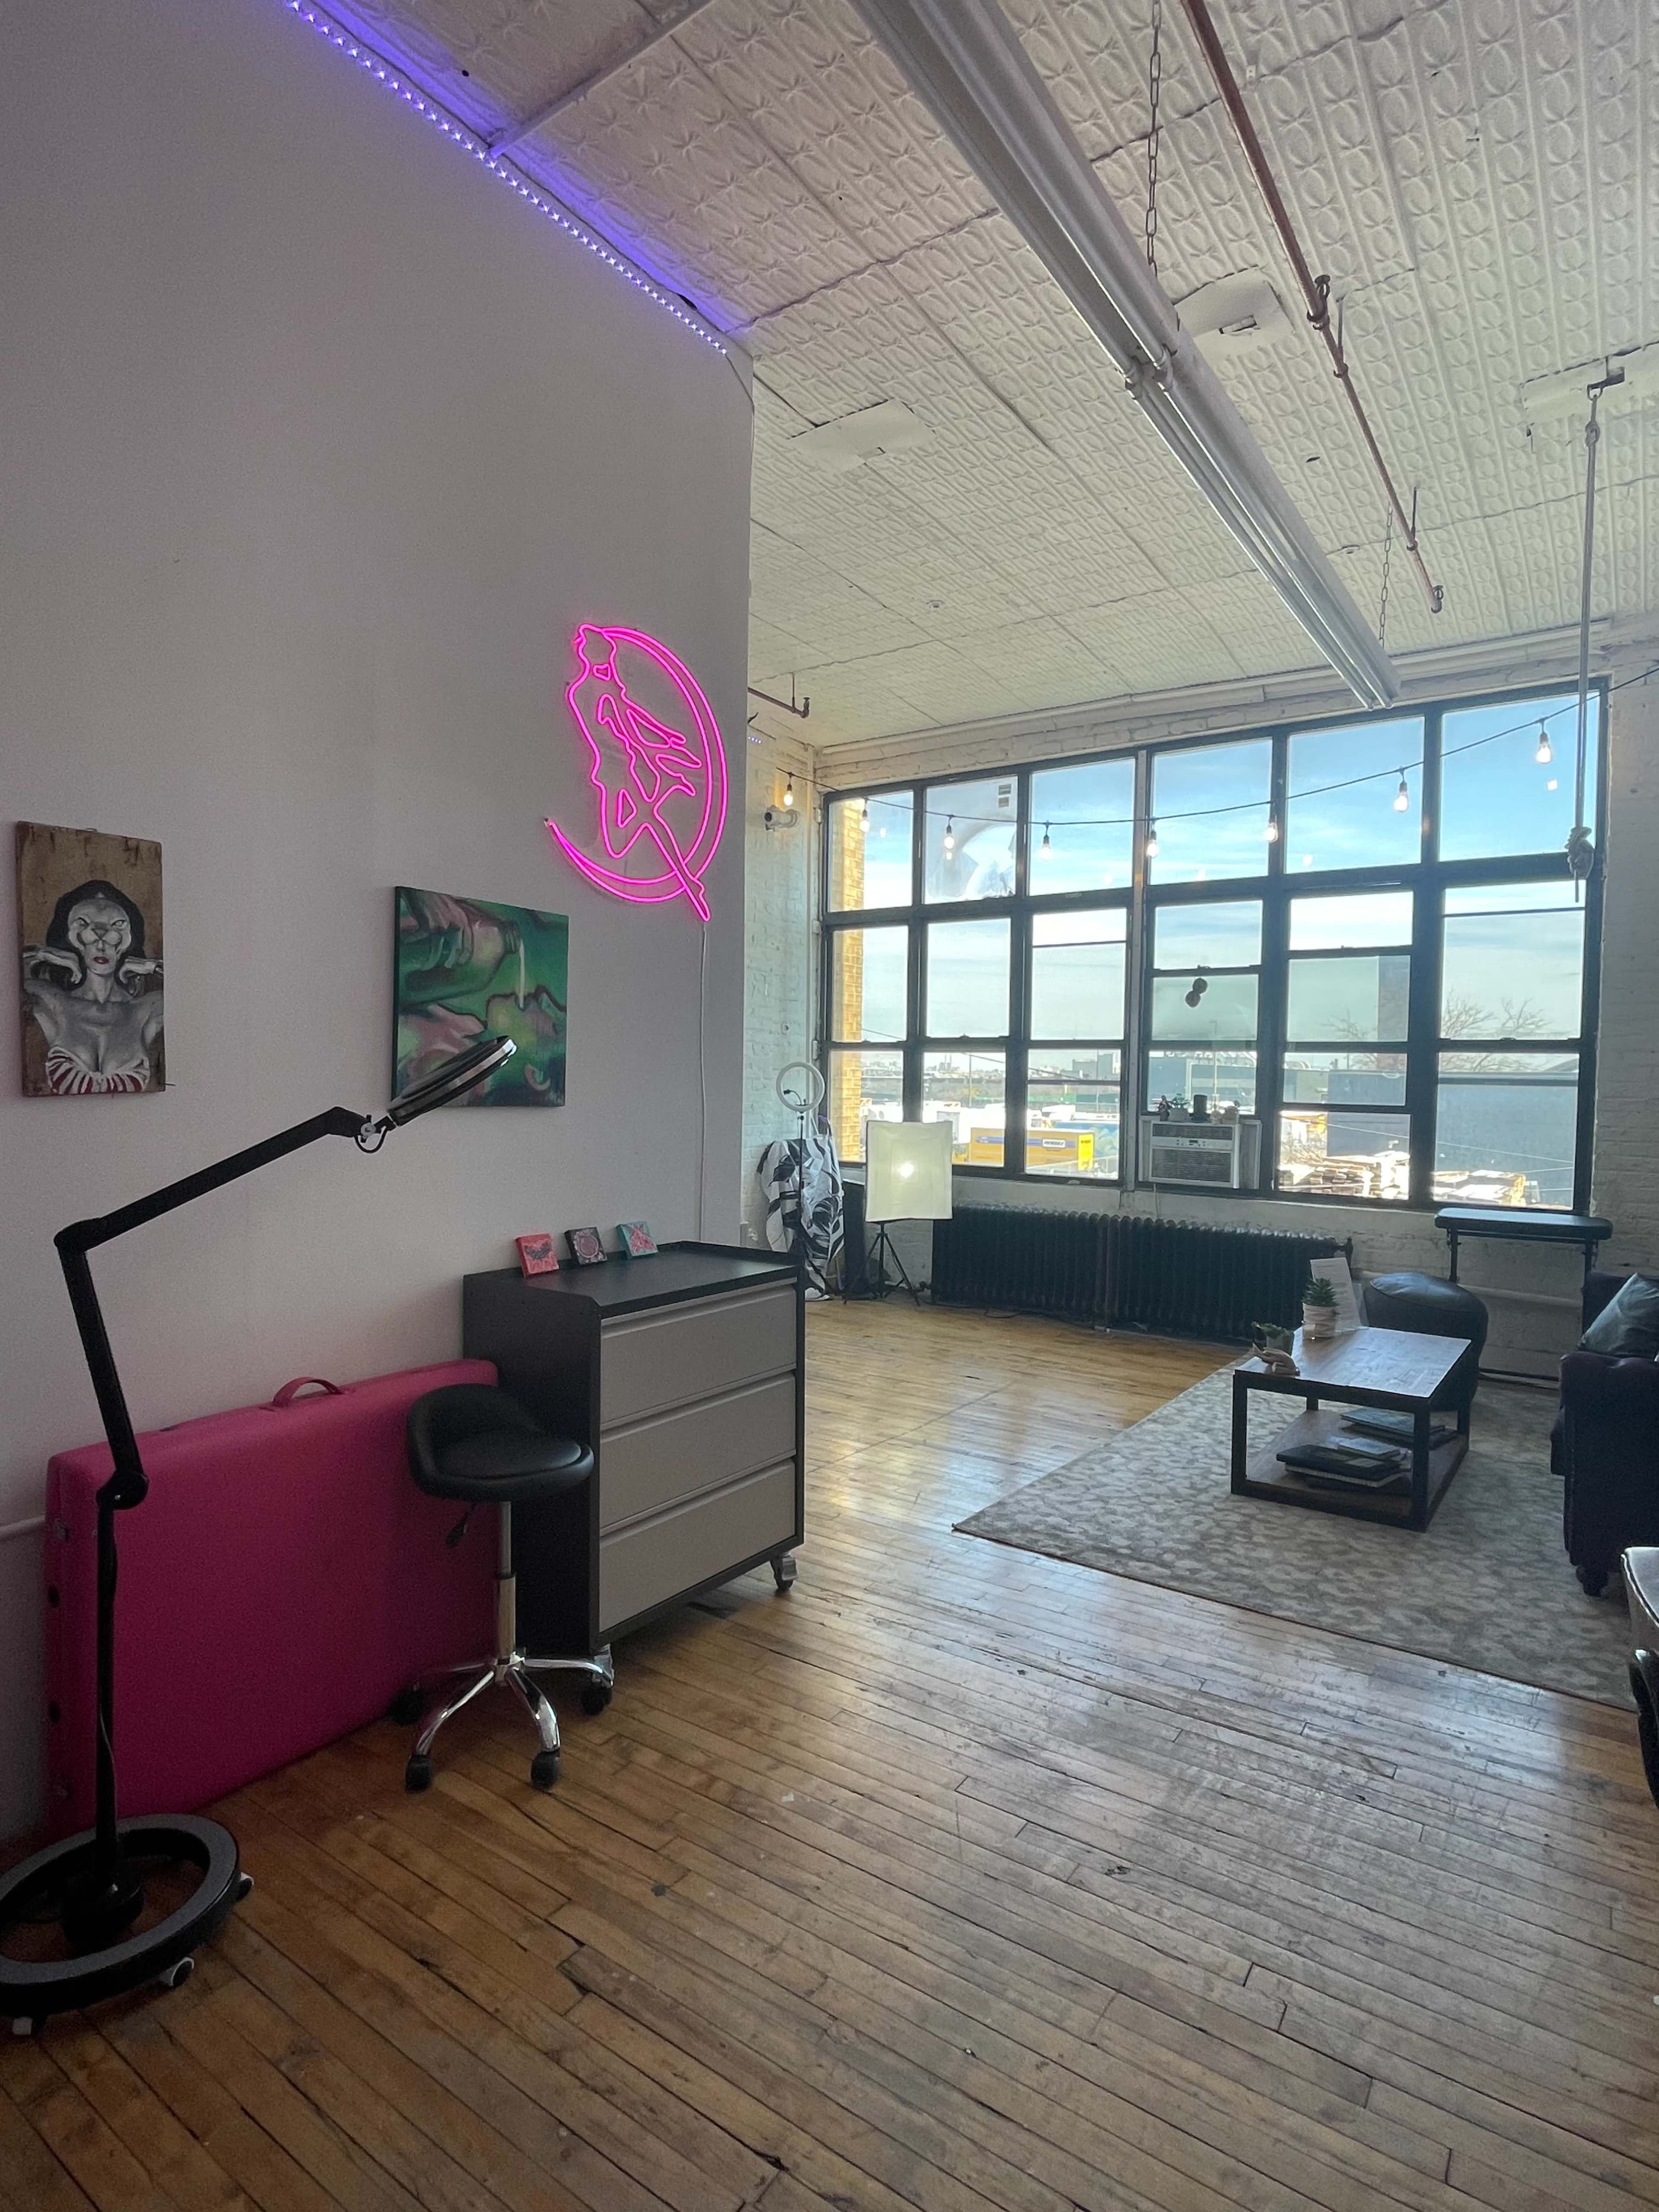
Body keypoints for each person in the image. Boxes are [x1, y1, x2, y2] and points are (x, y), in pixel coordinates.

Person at [22, 879, 163, 1094]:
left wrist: (151, 966)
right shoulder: (54, 1002)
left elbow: (193, 991)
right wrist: (45, 954)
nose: (101, 941)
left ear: (130, 940)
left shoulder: (148, 1008)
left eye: (116, 925)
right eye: (84, 924)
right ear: (70, 939)